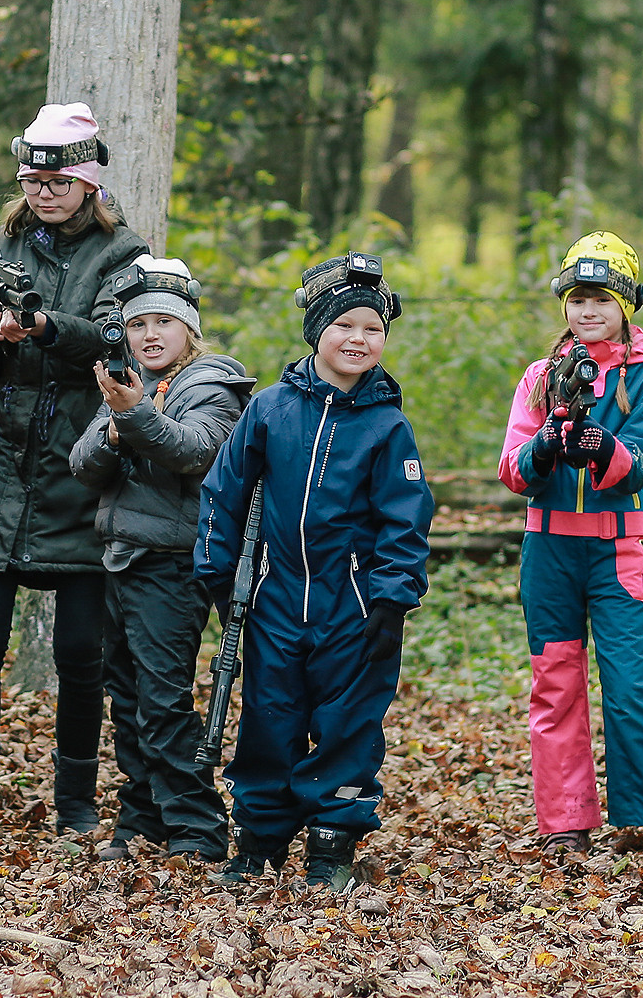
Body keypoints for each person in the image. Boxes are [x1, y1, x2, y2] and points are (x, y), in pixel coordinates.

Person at [0, 103, 149, 834]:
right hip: (3, 461)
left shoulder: (123, 252)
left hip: (83, 461)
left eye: (58, 181)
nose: (44, 193)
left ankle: (76, 801)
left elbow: (114, 337)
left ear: (88, 182)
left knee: (80, 652)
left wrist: (43, 325)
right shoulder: (6, 239)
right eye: (32, 180)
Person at [195, 253, 432, 891]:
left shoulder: (388, 426)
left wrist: (391, 600)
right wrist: (218, 576)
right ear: (316, 331)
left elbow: (405, 519)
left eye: (372, 329)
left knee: (348, 723)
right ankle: (261, 838)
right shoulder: (270, 410)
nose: (358, 339)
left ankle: (332, 841)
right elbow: (224, 493)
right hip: (274, 600)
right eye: (344, 325)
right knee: (268, 717)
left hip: (352, 607)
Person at [496, 232, 643, 860]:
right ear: (564, 305)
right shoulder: (541, 377)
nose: (588, 311)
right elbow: (512, 469)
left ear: (625, 305)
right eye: (578, 299)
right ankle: (565, 819)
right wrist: (544, 447)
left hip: (617, 552)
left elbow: (638, 463)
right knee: (555, 682)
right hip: (548, 553)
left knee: (630, 683)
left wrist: (602, 447)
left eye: (602, 299)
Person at [68, 257, 252, 862]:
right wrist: (116, 426)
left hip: (172, 566)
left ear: (189, 328)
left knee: (163, 700)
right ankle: (142, 817)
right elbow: (82, 464)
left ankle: (198, 828)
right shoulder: (129, 382)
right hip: (119, 559)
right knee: (127, 698)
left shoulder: (213, 385)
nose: (150, 335)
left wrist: (130, 416)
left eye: (164, 323)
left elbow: (194, 450)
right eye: (137, 323)